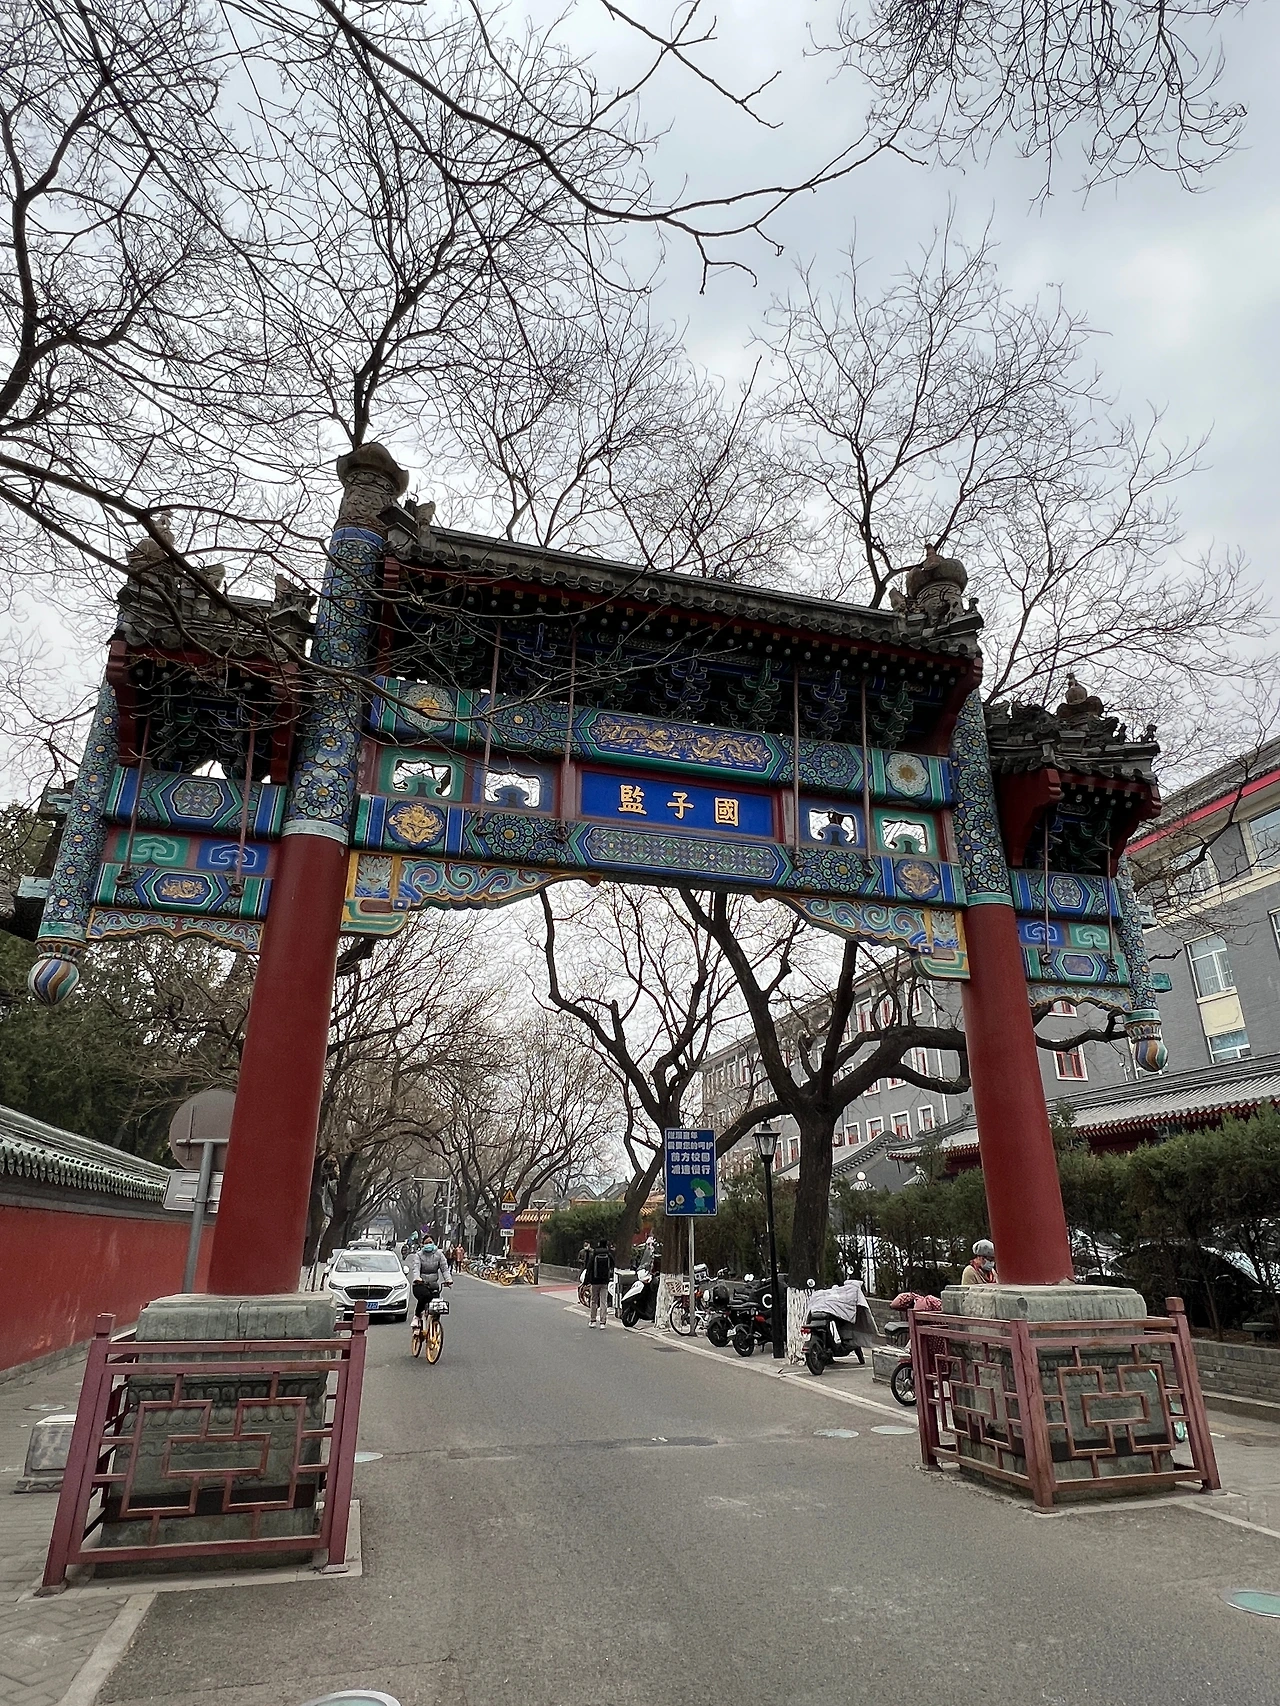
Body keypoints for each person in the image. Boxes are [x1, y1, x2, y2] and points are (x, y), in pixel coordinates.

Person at [807, 1265, 877, 1363]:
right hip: (829, 1312)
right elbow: (849, 1304)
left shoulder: (828, 1293)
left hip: (819, 1311)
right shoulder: (849, 1292)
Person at [411, 1237, 453, 1321]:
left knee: (437, 1305)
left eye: (430, 1242)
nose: (428, 1245)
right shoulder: (418, 1255)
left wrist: (448, 1279)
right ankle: (417, 1316)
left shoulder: (439, 1254)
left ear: (434, 1243)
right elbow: (416, 1268)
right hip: (420, 1284)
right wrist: (417, 1278)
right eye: (426, 1243)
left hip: (433, 1284)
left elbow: (444, 1269)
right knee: (425, 1296)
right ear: (422, 1244)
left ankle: (435, 1323)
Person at [584, 1238, 614, 1329]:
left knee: (594, 1301)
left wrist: (586, 1281)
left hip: (595, 1281)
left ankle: (593, 1321)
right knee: (603, 1301)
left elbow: (589, 1267)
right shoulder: (608, 1254)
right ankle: (602, 1322)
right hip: (604, 1281)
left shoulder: (594, 1254)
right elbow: (613, 1264)